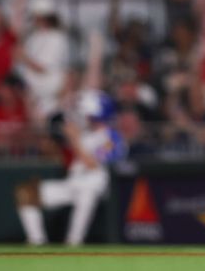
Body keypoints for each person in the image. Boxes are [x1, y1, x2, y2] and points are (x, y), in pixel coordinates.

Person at [15, 91, 127, 246]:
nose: (83, 116)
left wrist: (74, 139)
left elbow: (92, 164)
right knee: (26, 193)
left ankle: (74, 243)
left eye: (86, 113)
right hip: (74, 182)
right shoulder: (85, 133)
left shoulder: (112, 137)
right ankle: (36, 241)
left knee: (87, 192)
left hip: (97, 186)